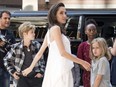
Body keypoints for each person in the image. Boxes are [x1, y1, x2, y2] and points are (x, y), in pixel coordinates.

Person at [22, 3, 91, 87]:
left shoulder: (51, 30)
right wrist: (82, 62)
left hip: (56, 69)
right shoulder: (56, 29)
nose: (64, 15)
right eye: (61, 13)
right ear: (54, 15)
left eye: (65, 13)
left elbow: (40, 53)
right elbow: (62, 53)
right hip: (61, 70)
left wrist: (30, 68)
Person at [4, 22, 45, 87]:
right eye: (32, 32)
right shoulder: (16, 47)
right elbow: (6, 60)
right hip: (21, 79)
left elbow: (42, 60)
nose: (34, 34)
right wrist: (13, 72)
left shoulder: (37, 45)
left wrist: (41, 72)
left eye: (34, 32)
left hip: (36, 78)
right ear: (24, 34)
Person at [77, 19, 97, 87]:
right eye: (89, 30)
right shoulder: (82, 46)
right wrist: (88, 68)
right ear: (86, 31)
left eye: (93, 30)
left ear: (96, 31)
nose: (92, 32)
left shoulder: (101, 44)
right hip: (87, 75)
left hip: (100, 73)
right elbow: (79, 61)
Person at [0, 10, 15, 87]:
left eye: (9, 18)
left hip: (5, 68)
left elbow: (14, 50)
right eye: (5, 18)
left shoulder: (10, 33)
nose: (7, 20)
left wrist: (6, 45)